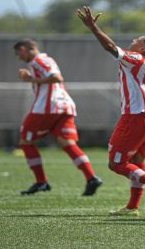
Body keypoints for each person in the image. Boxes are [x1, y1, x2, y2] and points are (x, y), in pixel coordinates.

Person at [76, 6, 145, 216]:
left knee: (117, 164)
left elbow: (111, 47)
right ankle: (133, 207)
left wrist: (93, 27)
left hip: (135, 117)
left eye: (139, 39)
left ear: (142, 49)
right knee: (137, 163)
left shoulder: (135, 59)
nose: (134, 39)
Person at [14, 38, 103, 196]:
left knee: (26, 141)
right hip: (64, 106)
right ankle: (91, 178)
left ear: (24, 49)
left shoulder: (38, 60)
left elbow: (56, 77)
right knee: (67, 143)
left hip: (47, 108)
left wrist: (30, 79)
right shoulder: (45, 60)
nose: (19, 58)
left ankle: (42, 182)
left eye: (18, 54)